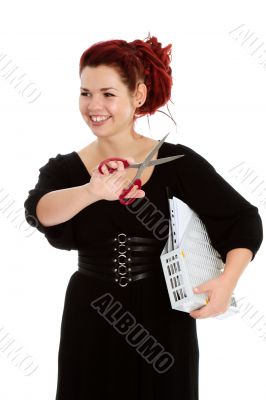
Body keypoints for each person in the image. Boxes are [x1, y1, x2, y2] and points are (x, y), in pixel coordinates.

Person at [24, 33, 263, 400]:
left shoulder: (178, 163)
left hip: (163, 311)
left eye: (107, 93)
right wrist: (92, 191)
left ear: (137, 96)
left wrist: (227, 282)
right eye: (85, 93)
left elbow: (242, 219)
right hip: (91, 309)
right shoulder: (66, 169)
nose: (94, 105)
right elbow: (40, 211)